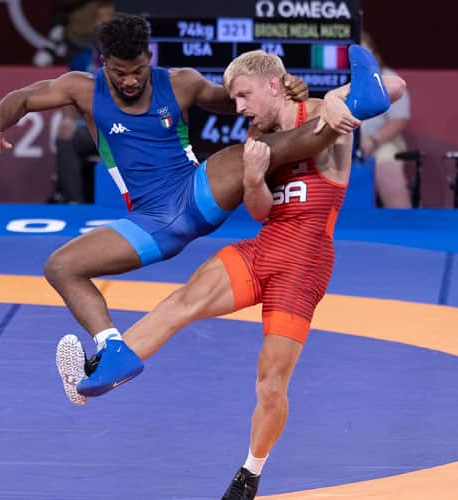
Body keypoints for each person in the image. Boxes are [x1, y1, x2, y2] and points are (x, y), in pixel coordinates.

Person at [0, 14, 391, 404]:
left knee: (249, 152)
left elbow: (237, 99)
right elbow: (22, 98)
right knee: (60, 266)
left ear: (149, 57)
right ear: (103, 64)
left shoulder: (181, 82)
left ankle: (356, 108)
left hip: (195, 192)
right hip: (151, 222)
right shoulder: (82, 88)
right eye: (120, 73)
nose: (131, 80)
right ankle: (111, 349)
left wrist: (285, 85)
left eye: (138, 70)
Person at [60, 49, 406, 500]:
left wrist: (344, 100)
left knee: (270, 382)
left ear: (272, 85)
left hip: (305, 262)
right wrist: (255, 176)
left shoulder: (322, 111)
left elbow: (394, 88)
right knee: (183, 301)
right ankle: (102, 368)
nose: (238, 108)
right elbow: (261, 211)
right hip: (267, 245)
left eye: (243, 96)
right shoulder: (257, 134)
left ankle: (250, 472)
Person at [52, 0, 115, 203]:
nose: (104, 23)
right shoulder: (83, 58)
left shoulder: (130, 56)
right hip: (93, 127)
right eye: (100, 18)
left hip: (125, 126)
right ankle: (74, 202)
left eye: (109, 18)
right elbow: (68, 95)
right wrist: (68, 120)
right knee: (66, 139)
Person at [359, 32, 411, 208]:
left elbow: (399, 119)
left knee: (385, 161)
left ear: (372, 52)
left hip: (381, 142)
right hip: (340, 143)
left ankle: (402, 220)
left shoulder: (388, 77)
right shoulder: (338, 78)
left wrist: (373, 141)